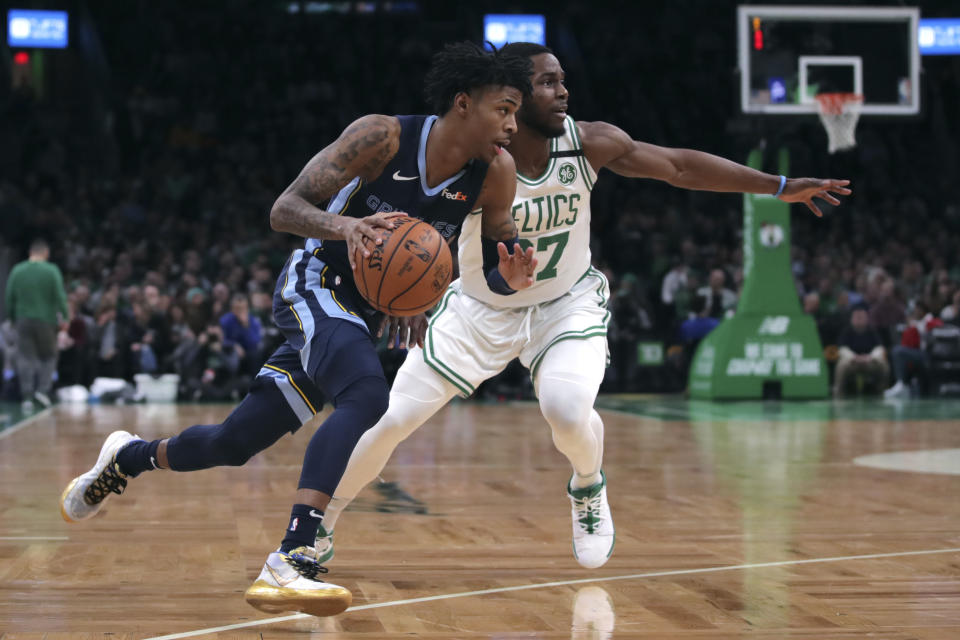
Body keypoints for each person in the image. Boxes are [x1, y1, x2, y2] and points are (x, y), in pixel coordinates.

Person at [315, 42, 852, 570]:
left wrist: (776, 186)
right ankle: (318, 527)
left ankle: (588, 487)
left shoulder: (589, 143)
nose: (563, 91)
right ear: (513, 99)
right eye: (548, 82)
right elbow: (420, 234)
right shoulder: (479, 164)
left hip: (565, 304)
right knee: (389, 420)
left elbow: (679, 167)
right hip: (479, 308)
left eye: (562, 79)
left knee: (568, 413)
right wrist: (406, 297)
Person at [60, 42, 536, 617]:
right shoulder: (383, 137)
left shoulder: (495, 175)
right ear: (464, 103)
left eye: (516, 113)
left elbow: (495, 259)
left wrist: (508, 278)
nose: (513, 125)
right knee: (367, 396)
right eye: (504, 109)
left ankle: (128, 457)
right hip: (314, 283)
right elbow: (284, 209)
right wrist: (348, 227)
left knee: (234, 443)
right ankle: (293, 558)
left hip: (361, 316)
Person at [4, 238, 69, 410]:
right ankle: (43, 390)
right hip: (46, 320)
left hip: (22, 319)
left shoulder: (18, 270)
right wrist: (66, 318)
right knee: (49, 355)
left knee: (25, 357)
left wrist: (12, 318)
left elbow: (9, 297)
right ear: (46, 253)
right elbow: (60, 296)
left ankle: (27, 396)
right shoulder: (51, 270)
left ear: (30, 253)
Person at [834, 303, 889, 396]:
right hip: (852, 362)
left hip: (869, 362)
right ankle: (838, 392)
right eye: (857, 317)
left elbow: (879, 347)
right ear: (851, 318)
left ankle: (882, 391)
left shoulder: (872, 331)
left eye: (861, 317)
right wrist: (854, 357)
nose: (859, 319)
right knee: (841, 365)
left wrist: (870, 357)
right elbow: (842, 348)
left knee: (883, 364)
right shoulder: (847, 331)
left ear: (867, 318)